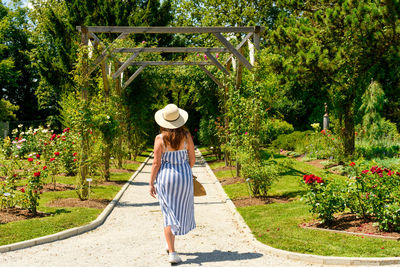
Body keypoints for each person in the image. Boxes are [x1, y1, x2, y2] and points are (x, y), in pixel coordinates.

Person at [149, 104, 196, 264]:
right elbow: (192, 159)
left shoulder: (160, 139)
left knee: (168, 213)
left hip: (166, 178)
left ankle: (173, 252)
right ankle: (171, 244)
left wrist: (151, 183)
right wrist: (184, 171)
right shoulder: (187, 136)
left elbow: (156, 163)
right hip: (184, 177)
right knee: (179, 210)